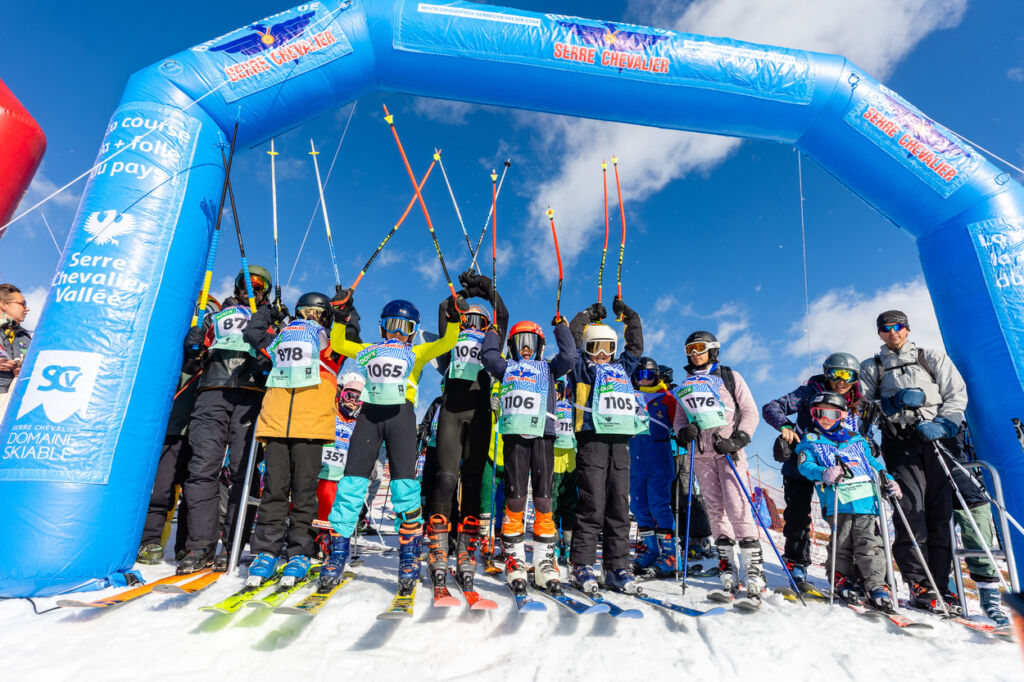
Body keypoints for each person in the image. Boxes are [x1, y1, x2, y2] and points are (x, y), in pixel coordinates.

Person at [320, 295, 463, 594]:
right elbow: (340, 344)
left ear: (413, 331)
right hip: (369, 417)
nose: (398, 333)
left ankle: (409, 556)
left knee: (404, 489)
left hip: (401, 418)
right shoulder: (370, 350)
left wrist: (453, 315)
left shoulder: (419, 352)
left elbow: (450, 341)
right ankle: (336, 554)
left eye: (405, 327)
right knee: (350, 485)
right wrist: (339, 316)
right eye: (392, 326)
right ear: (382, 327)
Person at [860, 310, 968, 614]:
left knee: (937, 510)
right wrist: (892, 403)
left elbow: (956, 393)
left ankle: (941, 584)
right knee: (909, 509)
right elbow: (865, 407)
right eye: (886, 328)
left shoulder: (929, 357)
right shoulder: (874, 366)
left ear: (907, 329)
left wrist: (946, 424)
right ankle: (919, 583)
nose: (893, 332)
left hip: (934, 436)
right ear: (879, 333)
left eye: (898, 327)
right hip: (900, 440)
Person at [241, 292, 349, 586]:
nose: (308, 318)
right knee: (274, 491)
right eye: (303, 311)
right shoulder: (282, 340)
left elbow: (348, 336)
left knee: (304, 492)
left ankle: (300, 551)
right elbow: (253, 333)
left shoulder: (329, 345)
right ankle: (266, 551)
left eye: (316, 313)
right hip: (277, 424)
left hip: (311, 427)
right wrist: (270, 311)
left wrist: (344, 311)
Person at [177, 267, 278, 573]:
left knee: (242, 471)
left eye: (259, 285)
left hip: (250, 394)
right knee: (202, 467)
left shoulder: (270, 317)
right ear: (236, 287)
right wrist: (193, 344)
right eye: (246, 283)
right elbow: (195, 355)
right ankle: (200, 544)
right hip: (212, 391)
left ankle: (232, 542)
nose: (252, 289)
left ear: (266, 292)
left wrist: (268, 350)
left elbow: (279, 353)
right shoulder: (216, 315)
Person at [480, 315, 577, 591]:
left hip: (544, 437)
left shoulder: (548, 368)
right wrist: (492, 332)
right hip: (515, 439)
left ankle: (545, 560)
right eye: (520, 342)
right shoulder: (507, 367)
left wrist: (561, 328)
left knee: (545, 501)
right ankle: (515, 559)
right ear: (511, 346)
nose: (525, 348)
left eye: (531, 342)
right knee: (516, 498)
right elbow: (488, 356)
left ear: (540, 346)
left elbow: (570, 357)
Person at [425, 271, 508, 591]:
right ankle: (438, 546)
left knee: (473, 482)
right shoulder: (453, 338)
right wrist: (460, 295)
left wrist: (485, 289)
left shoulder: (492, 340)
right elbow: (444, 308)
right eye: (468, 320)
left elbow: (502, 313)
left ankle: (465, 549)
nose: (473, 325)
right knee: (446, 479)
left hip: (481, 412)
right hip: (451, 409)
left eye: (479, 321)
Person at [672, 331, 762, 601]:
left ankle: (754, 568)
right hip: (702, 455)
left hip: (728, 452)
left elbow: (749, 411)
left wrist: (739, 439)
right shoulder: (686, 384)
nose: (694, 353)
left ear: (712, 350)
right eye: (689, 349)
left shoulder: (730, 377)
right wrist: (683, 433)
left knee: (738, 504)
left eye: (699, 348)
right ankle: (726, 565)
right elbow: (679, 418)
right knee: (714, 509)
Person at [761, 351, 863, 584]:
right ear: (826, 374)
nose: (841, 380)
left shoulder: (858, 402)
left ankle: (848, 570)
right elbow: (772, 407)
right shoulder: (808, 393)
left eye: (848, 375)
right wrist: (785, 425)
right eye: (835, 374)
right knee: (798, 514)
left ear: (855, 377)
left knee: (845, 518)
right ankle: (796, 563)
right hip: (801, 461)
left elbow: (861, 431)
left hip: (838, 469)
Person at [796, 391, 901, 611]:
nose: (824, 418)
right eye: (818, 413)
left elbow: (874, 464)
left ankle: (876, 585)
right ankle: (842, 578)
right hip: (837, 502)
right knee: (842, 542)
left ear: (842, 415)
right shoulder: (810, 440)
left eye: (831, 413)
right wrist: (824, 473)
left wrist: (888, 480)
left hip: (865, 501)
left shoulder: (856, 440)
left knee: (869, 543)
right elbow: (805, 466)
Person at [567, 298, 644, 594]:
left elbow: (635, 348)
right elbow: (570, 345)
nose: (602, 354)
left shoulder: (622, 369)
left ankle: (617, 566)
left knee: (618, 505)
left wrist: (630, 317)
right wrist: (585, 316)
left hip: (620, 442)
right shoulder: (581, 369)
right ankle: (583, 564)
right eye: (595, 347)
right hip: (592, 439)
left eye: (608, 348)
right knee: (593, 503)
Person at [951, 425, 1009, 626]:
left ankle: (990, 602)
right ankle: (947, 593)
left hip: (971, 486)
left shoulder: (965, 417)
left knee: (981, 542)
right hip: (934, 484)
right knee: (938, 543)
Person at [629, 356, 679, 577]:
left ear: (657, 376)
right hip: (636, 455)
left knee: (659, 502)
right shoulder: (630, 397)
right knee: (638, 503)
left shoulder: (667, 397)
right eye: (640, 376)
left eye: (649, 375)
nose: (645, 380)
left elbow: (680, 423)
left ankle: (669, 555)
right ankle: (650, 550)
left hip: (659, 454)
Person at [315, 373, 366, 532]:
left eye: (357, 399)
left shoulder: (359, 423)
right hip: (324, 473)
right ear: (341, 394)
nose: (352, 402)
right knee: (323, 505)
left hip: (344, 476)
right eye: (349, 396)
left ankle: (334, 538)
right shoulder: (331, 412)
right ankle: (319, 537)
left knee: (340, 509)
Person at [551, 378, 578, 561]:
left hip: (572, 459)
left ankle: (568, 541)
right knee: (552, 502)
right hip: (553, 458)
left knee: (570, 501)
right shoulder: (551, 407)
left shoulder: (574, 407)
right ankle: (552, 541)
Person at [0, 284, 31, 418]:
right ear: (3, 305)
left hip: (16, 402)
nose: (27, 308)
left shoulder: (26, 336)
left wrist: (25, 368)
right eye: (22, 304)